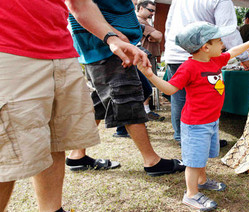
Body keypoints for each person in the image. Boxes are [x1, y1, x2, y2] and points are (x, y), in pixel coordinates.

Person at [0, 0, 150, 211]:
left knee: (56, 141)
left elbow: (80, 3)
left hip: (62, 52)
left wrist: (111, 38)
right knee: (6, 157)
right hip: (10, 51)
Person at [137, 22, 249, 211]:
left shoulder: (214, 60)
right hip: (195, 124)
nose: (223, 44)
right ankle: (191, 194)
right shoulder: (188, 67)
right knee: (193, 161)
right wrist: (150, 76)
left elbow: (233, 52)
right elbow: (171, 89)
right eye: (218, 41)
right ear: (205, 47)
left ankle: (202, 180)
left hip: (212, 121)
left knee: (202, 156)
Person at [66, 0, 186, 176]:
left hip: (103, 44)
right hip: (109, 46)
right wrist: (114, 38)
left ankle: (77, 154)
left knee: (99, 102)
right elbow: (79, 6)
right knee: (128, 97)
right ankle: (151, 161)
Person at [164, 0, 249, 143]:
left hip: (175, 52)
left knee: (183, 99)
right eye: (219, 40)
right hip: (197, 56)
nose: (222, 43)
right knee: (196, 100)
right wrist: (244, 58)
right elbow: (228, 30)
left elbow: (168, 26)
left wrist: (169, 48)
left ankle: (190, 137)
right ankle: (191, 139)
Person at [136, 0, 165, 121]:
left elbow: (159, 36)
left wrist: (157, 36)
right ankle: (144, 111)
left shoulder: (145, 22)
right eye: (150, 10)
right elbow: (158, 35)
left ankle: (146, 110)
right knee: (144, 85)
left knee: (147, 85)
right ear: (141, 8)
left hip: (149, 56)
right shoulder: (138, 20)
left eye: (154, 11)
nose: (152, 13)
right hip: (143, 57)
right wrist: (156, 36)